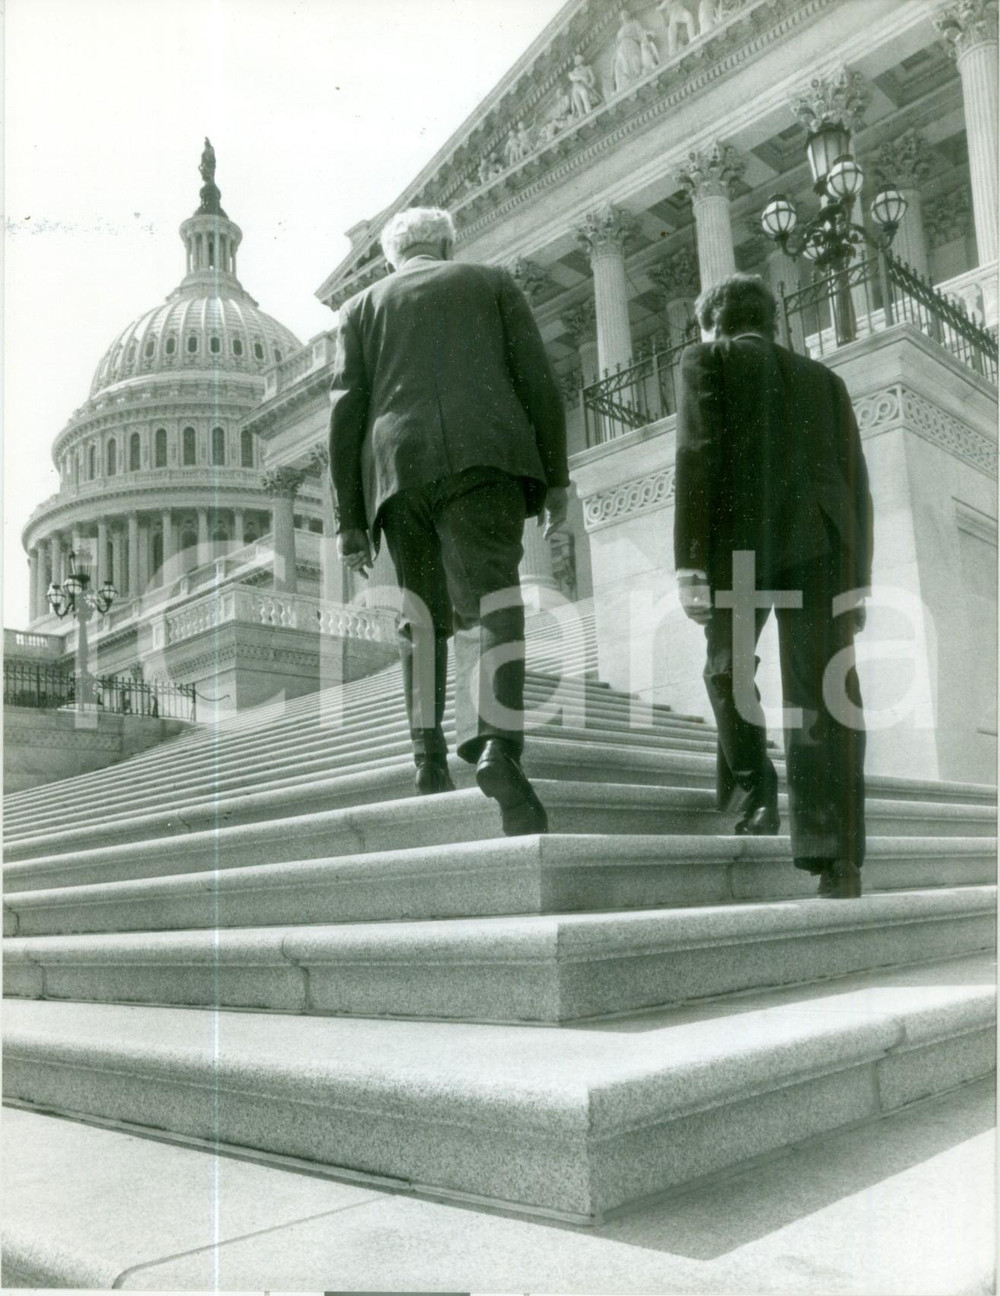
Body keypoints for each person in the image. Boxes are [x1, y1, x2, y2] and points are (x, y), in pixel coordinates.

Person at [328, 206, 570, 835]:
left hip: (397, 474)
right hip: (482, 458)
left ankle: (427, 757)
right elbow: (537, 383)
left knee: (421, 617)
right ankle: (496, 746)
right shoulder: (490, 282)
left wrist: (349, 520)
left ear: (392, 258)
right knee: (490, 602)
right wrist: (557, 479)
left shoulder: (360, 310)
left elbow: (346, 412)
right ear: (446, 244)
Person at [674, 273, 873, 900]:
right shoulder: (827, 380)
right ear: (772, 321)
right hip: (824, 547)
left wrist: (689, 564)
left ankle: (757, 789)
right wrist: (859, 580)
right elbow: (857, 482)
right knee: (826, 694)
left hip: (740, 548)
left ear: (714, 322)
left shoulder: (706, 358)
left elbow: (696, 455)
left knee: (725, 671)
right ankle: (835, 859)